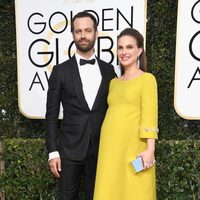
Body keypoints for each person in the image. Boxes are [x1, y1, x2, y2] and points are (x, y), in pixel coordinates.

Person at [45, 11, 116, 200]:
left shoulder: (109, 70)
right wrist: (53, 151)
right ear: (73, 35)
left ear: (96, 33)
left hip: (101, 150)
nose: (83, 35)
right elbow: (51, 115)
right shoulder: (60, 71)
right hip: (69, 151)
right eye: (78, 31)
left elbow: (116, 110)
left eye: (87, 30)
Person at [93, 28, 158, 200]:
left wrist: (150, 149)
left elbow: (150, 115)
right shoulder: (113, 83)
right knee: (109, 189)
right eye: (120, 48)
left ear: (139, 50)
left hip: (134, 145)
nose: (124, 52)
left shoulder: (147, 79)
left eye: (129, 47)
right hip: (109, 146)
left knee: (135, 190)